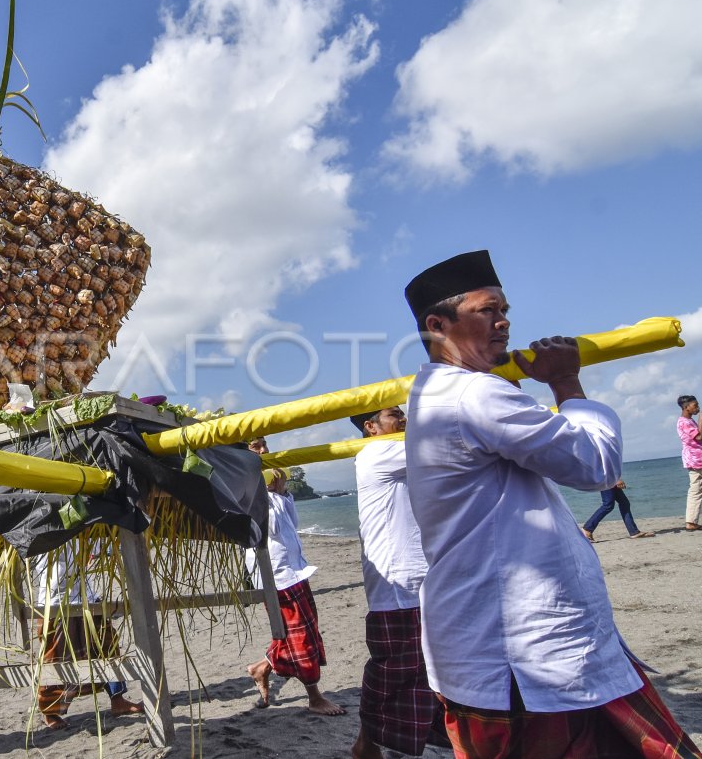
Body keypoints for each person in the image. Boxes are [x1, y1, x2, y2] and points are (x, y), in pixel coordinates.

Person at [403, 250, 698, 757]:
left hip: (488, 645)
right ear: (438, 325)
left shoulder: (434, 394)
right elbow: (594, 467)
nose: (504, 322)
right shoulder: (475, 396)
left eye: (505, 309)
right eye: (488, 310)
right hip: (527, 653)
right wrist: (566, 382)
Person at [349, 408, 447, 759]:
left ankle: (368, 746)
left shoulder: (395, 450)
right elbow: (447, 443)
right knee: (397, 674)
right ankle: (368, 747)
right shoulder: (379, 452)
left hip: (417, 582)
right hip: (400, 587)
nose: (405, 418)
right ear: (370, 427)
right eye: (395, 414)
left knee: (417, 673)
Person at [245, 437, 345, 716]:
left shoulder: (266, 487)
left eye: (265, 445)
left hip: (294, 569)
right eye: (256, 446)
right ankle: (314, 697)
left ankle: (261, 668)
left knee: (299, 631)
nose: (264, 451)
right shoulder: (244, 485)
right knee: (300, 637)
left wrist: (282, 491)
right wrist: (269, 491)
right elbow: (269, 528)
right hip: (275, 574)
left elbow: (291, 522)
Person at [31, 541, 144, 730]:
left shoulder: (83, 531)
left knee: (107, 645)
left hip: (87, 597)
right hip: (55, 601)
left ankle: (118, 699)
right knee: (57, 657)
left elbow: (100, 546)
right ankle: (49, 712)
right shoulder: (44, 532)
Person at [581, 479, 654, 541]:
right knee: (608, 505)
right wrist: (616, 479)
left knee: (624, 503)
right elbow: (605, 465)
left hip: (608, 478)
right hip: (606, 479)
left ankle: (634, 532)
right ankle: (587, 529)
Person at [678, 395, 702, 531]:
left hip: (698, 458)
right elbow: (699, 436)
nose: (697, 407)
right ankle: (691, 522)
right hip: (695, 459)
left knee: (697, 490)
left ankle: (692, 521)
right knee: (696, 490)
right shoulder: (684, 422)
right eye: (695, 405)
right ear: (686, 407)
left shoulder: (690, 421)